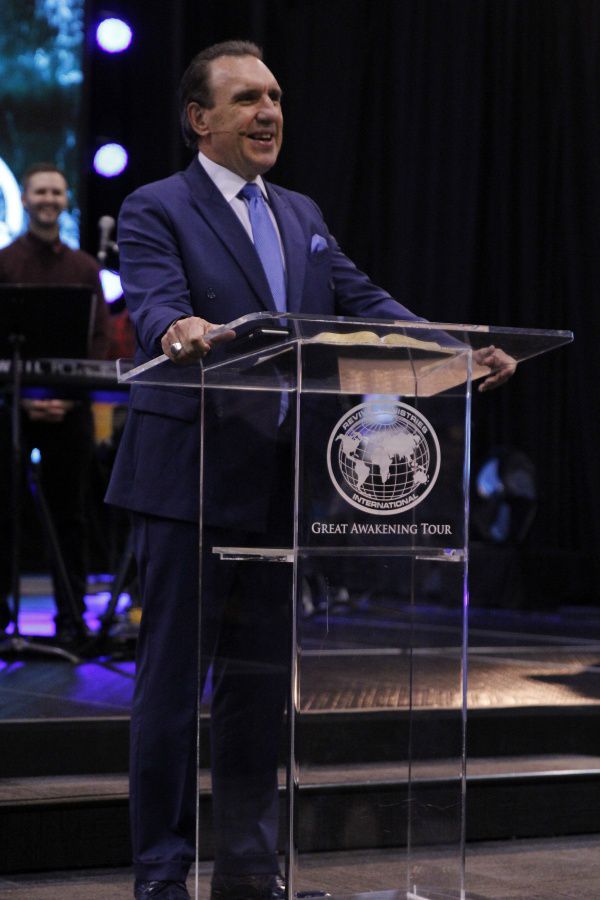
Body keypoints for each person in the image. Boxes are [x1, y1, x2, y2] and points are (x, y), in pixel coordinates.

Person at [105, 41, 515, 900]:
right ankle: (162, 878)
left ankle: (250, 874)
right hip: (188, 486)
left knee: (257, 695)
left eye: (276, 97)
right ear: (199, 119)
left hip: (276, 487)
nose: (269, 113)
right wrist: (176, 328)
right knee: (172, 694)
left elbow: (365, 305)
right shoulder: (157, 206)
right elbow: (154, 301)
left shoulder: (300, 214)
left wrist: (455, 349)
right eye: (247, 99)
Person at [0, 162, 110, 642]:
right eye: (40, 192)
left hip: (70, 410)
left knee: (71, 517)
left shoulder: (85, 268)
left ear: (65, 201)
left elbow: (99, 340)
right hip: (12, 409)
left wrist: (67, 395)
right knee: (4, 513)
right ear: (25, 199)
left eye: (56, 192)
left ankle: (71, 622)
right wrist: (23, 399)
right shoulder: (4, 263)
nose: (48, 199)